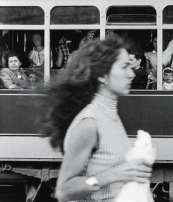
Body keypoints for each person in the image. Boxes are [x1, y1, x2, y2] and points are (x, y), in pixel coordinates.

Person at [40, 37, 153, 202]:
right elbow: (64, 190)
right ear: (102, 76)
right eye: (124, 67)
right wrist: (113, 174)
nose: (131, 74)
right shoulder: (90, 123)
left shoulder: (110, 115)